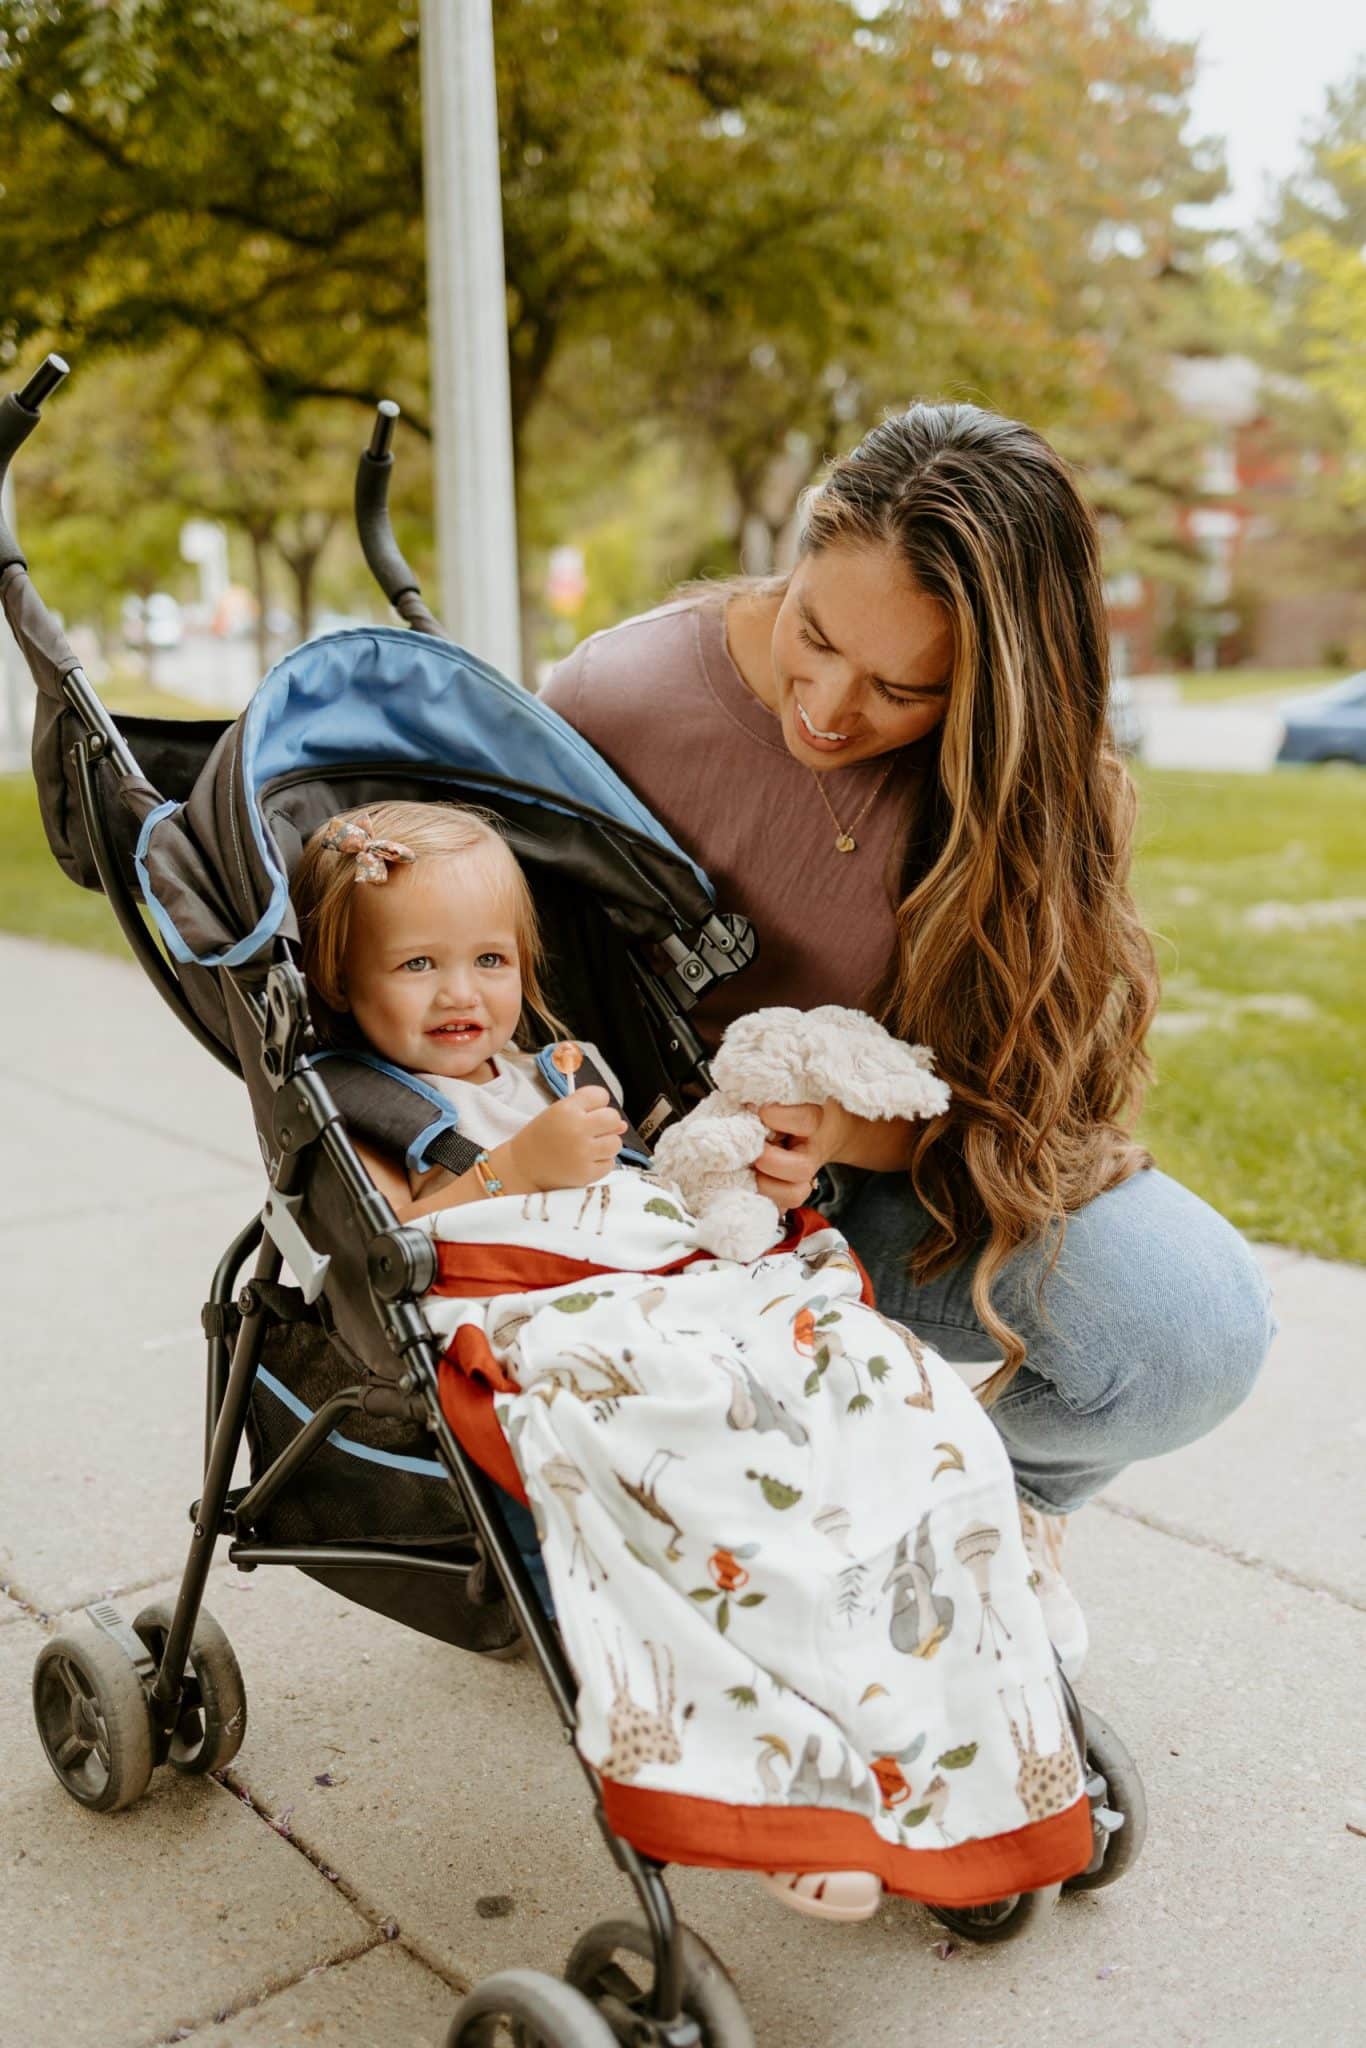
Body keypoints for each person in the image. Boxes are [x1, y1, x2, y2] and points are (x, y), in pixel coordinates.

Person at [540, 401, 1276, 1674]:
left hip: (870, 1182)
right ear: (796, 555)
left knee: (1187, 1329)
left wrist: (833, 1127)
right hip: (629, 1180)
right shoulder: (615, 694)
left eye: (901, 689)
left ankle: (984, 1495)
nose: (828, 708)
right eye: (812, 634)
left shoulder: (1031, 797)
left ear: (992, 688)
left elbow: (1006, 1104)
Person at [294, 798, 974, 1923]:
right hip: (539, 1324)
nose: (462, 993)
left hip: (664, 1293)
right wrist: (513, 1169)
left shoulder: (555, 1070)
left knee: (868, 1387)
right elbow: (388, 1240)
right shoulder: (361, 1102)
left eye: (490, 959)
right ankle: (781, 1789)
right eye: (416, 963)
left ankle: (931, 1706)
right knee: (688, 1472)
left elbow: (649, 1186)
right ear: (339, 977)